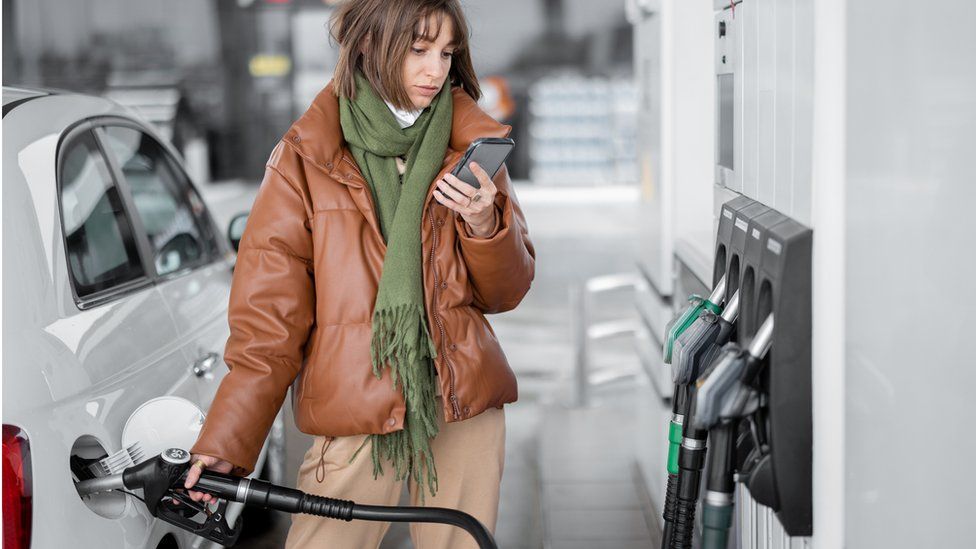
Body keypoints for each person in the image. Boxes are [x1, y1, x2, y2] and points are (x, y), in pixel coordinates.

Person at [182, 0, 535, 547]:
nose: (435, 70)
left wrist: (486, 222)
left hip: (463, 402)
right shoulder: (306, 160)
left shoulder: (470, 145)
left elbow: (507, 291)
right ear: (369, 46)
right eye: (418, 50)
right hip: (356, 407)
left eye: (446, 53)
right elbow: (268, 324)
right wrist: (228, 445)